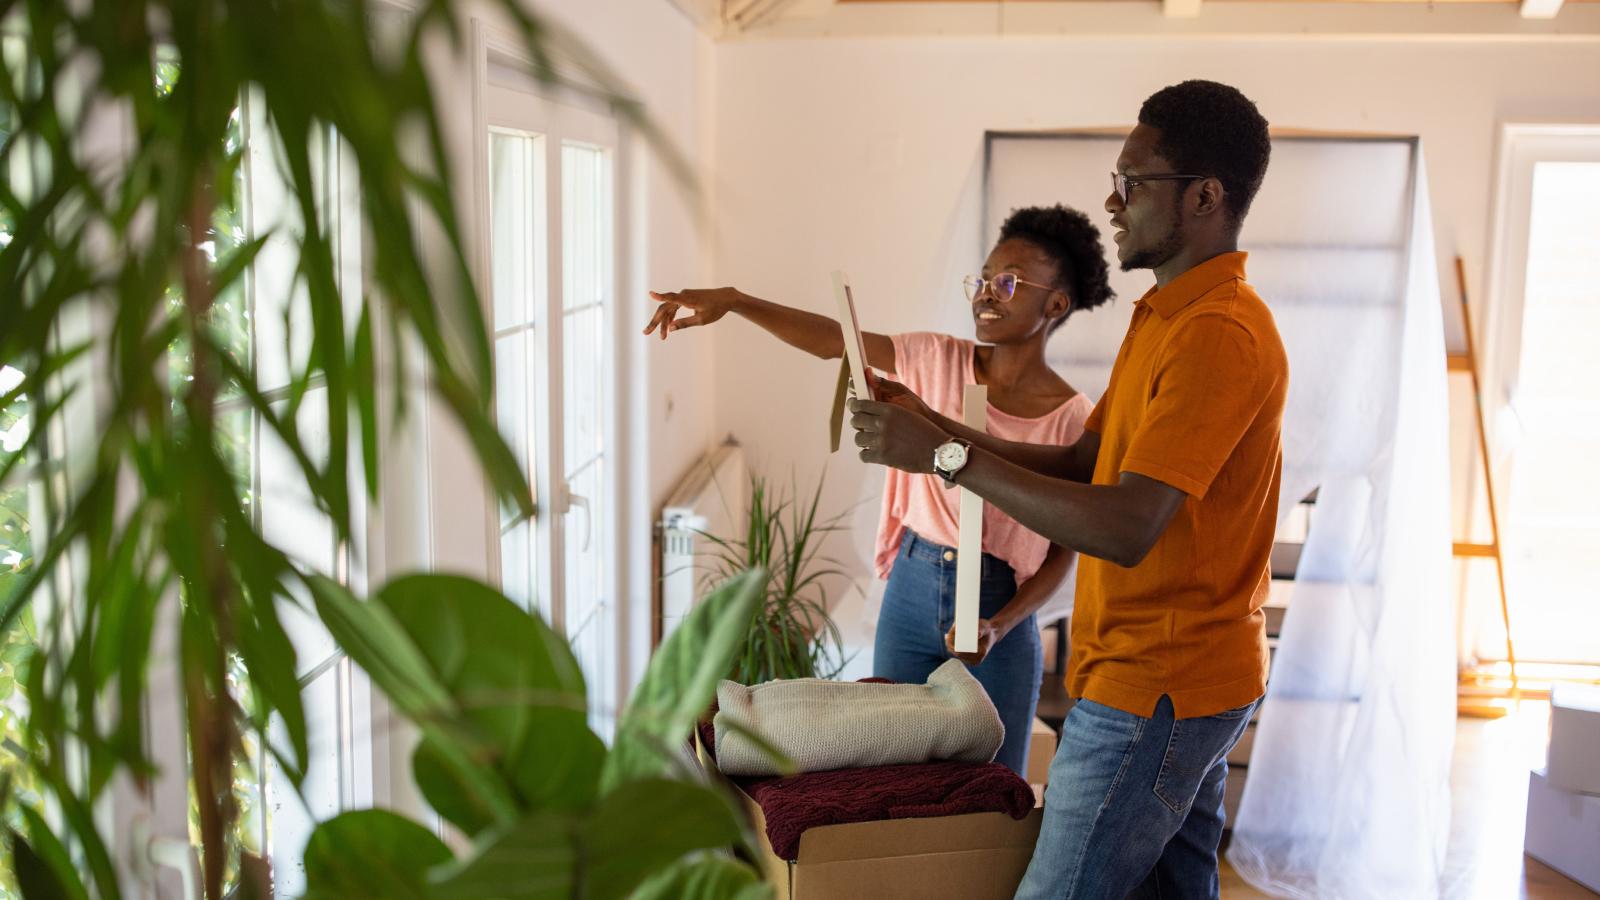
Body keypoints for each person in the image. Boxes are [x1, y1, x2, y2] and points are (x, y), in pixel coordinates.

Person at [849, 80, 1285, 898]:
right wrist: (938, 431)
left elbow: (1125, 524)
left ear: (1204, 197)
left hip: (1157, 688)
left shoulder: (1217, 333)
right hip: (1160, 678)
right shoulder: (1164, 317)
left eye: (1132, 182)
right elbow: (1088, 464)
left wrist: (945, 459)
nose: (1112, 202)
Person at [645, 205, 1114, 776]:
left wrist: (1003, 623)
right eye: (983, 279)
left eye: (1008, 283)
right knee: (888, 773)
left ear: (1055, 305)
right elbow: (836, 341)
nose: (987, 293)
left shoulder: (1073, 421)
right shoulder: (936, 359)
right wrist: (738, 301)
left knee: (994, 790)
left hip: (999, 609)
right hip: (911, 589)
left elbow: (1064, 549)